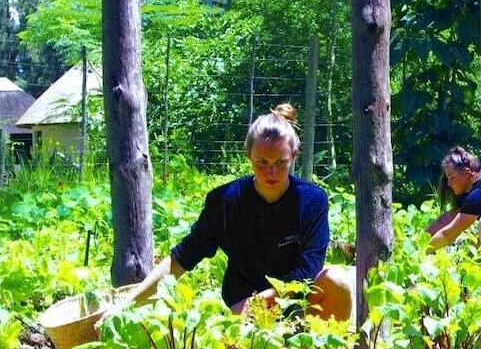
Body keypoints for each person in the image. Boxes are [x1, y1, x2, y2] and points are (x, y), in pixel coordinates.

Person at [106, 104, 352, 320]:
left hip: (293, 303)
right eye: (262, 163)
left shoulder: (312, 201)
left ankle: (315, 348)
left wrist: (257, 307)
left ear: (294, 156)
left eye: (281, 163)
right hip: (242, 301)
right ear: (248, 156)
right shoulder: (224, 200)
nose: (271, 173)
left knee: (336, 280)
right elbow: (183, 257)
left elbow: (307, 271)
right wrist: (127, 304)